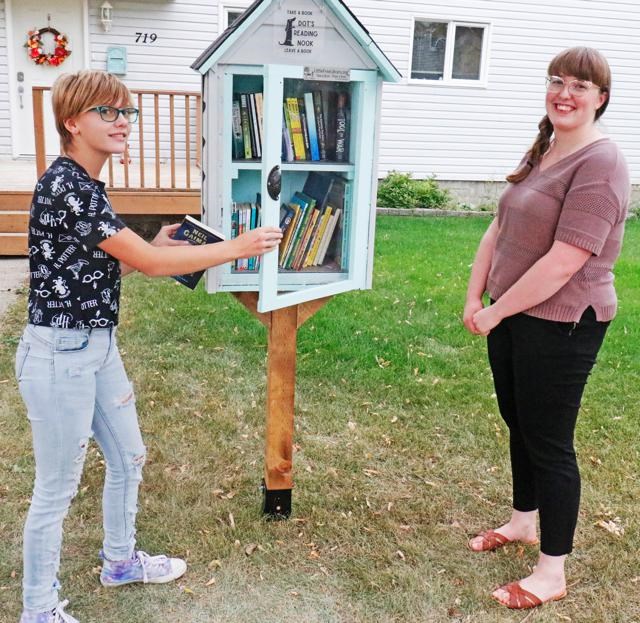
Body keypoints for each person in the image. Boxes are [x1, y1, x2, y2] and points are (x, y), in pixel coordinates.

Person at [15, 70, 282, 623]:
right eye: (107, 112)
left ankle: (119, 562)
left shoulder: (86, 185)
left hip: (95, 348)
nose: (121, 122)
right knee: (57, 489)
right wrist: (238, 246)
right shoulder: (66, 184)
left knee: (128, 457)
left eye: (125, 113)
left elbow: (95, 266)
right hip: (59, 356)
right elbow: (156, 265)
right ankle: (38, 610)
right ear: (72, 122)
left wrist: (148, 247)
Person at [463, 47, 629, 610]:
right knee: (520, 423)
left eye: (581, 85)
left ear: (600, 99)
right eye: (557, 81)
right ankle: (522, 522)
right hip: (514, 313)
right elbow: (499, 225)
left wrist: (496, 309)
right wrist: (475, 294)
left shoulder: (601, 163)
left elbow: (567, 260)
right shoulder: (549, 148)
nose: (565, 92)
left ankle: (551, 573)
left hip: (562, 323)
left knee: (551, 443)